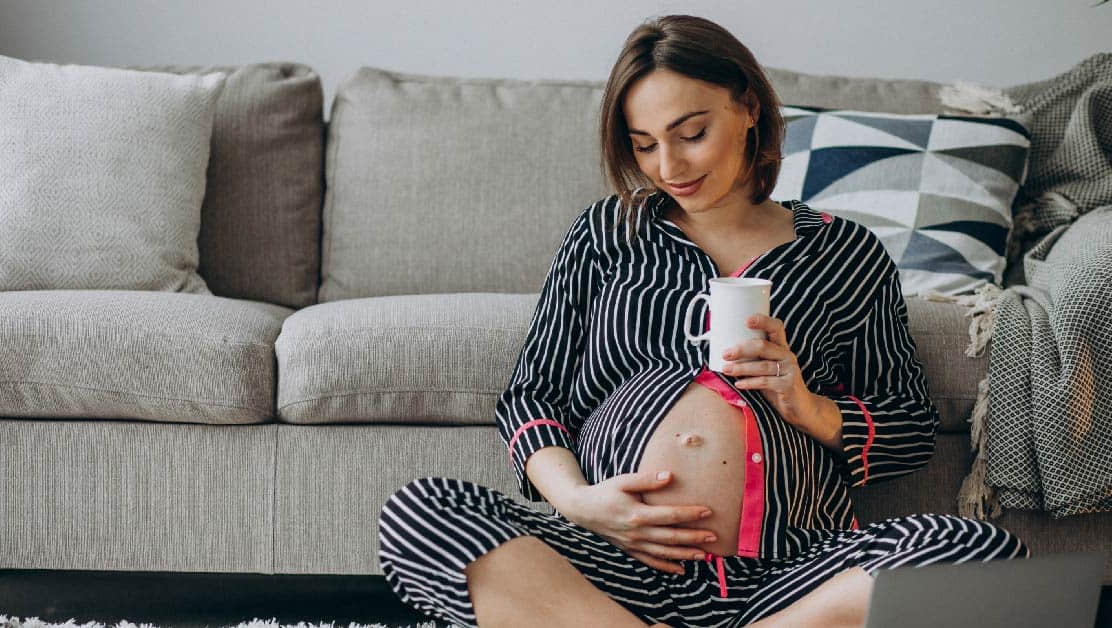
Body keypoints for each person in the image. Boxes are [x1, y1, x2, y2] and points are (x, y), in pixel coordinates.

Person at [377, 14, 1030, 628]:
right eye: (645, 145)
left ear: (748, 107)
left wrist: (806, 404)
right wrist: (580, 504)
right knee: (420, 516)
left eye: (691, 134)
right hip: (615, 567)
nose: (670, 167)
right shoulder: (609, 232)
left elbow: (910, 430)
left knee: (975, 553)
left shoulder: (844, 251)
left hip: (788, 570)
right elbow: (530, 395)